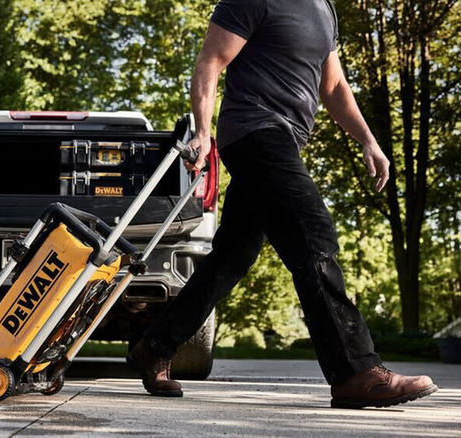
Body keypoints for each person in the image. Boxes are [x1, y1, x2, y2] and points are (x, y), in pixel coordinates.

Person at [127, 0, 438, 409]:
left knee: (232, 257)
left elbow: (334, 86)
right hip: (256, 131)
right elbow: (211, 61)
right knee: (313, 237)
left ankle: (155, 345)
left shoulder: (324, 9)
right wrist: (203, 131)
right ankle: (354, 371)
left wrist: (368, 140)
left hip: (283, 139)